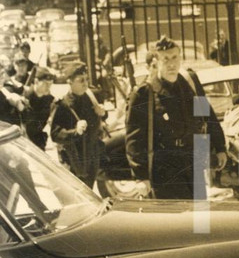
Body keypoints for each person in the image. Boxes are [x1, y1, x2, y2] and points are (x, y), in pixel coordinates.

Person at [125, 36, 226, 199]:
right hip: (164, 170)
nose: (171, 63)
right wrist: (140, 176)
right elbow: (134, 139)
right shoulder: (144, 94)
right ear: (156, 62)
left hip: (192, 163)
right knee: (173, 220)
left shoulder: (189, 84)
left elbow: (207, 116)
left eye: (174, 57)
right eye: (165, 59)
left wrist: (220, 147)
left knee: (197, 217)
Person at [52, 62, 107, 188]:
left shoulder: (91, 97)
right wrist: (75, 132)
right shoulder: (63, 104)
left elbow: (98, 121)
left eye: (86, 79)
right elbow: (55, 134)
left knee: (90, 190)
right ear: (70, 82)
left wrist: (103, 113)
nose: (85, 83)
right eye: (80, 80)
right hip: (74, 159)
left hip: (92, 155)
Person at [21, 65, 56, 150]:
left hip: (39, 143)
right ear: (36, 81)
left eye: (50, 84)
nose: (49, 87)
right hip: (24, 144)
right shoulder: (25, 98)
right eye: (46, 84)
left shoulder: (49, 99)